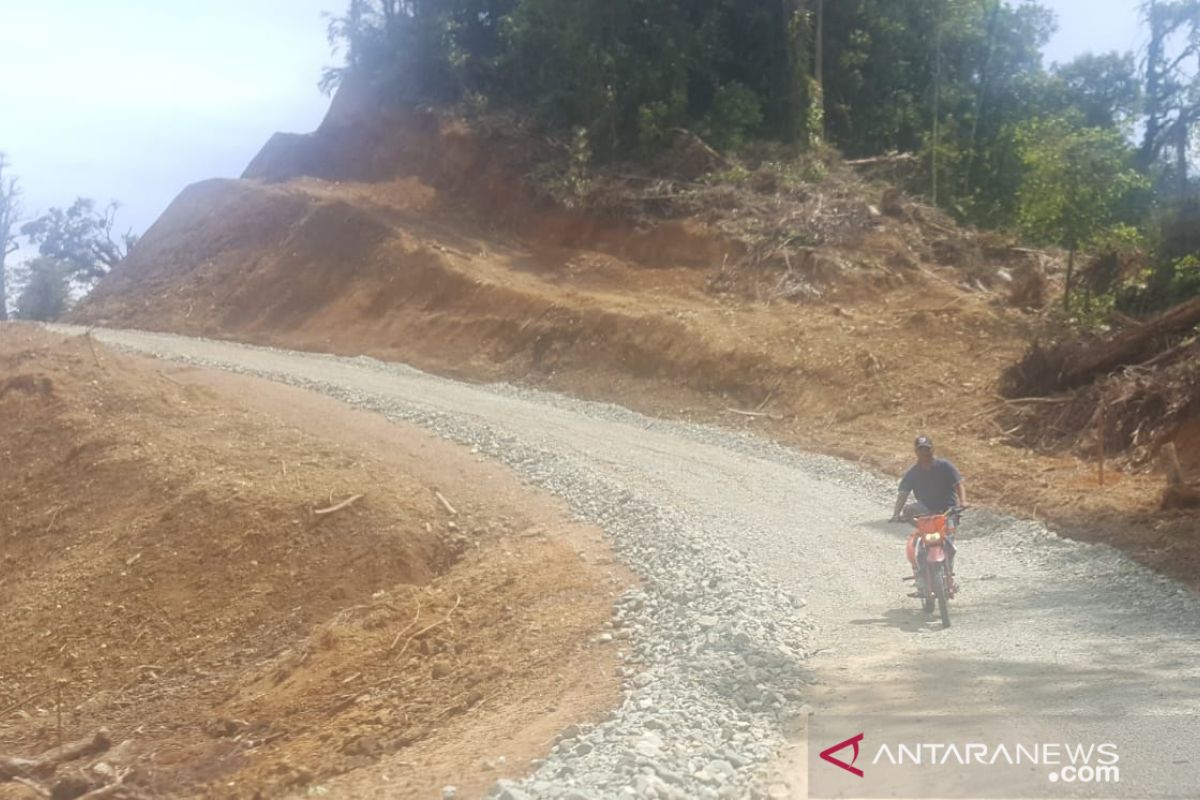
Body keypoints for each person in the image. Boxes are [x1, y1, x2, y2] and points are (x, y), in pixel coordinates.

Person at [891, 435, 966, 577]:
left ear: (932, 449)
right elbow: (903, 493)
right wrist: (896, 514)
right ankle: (921, 571)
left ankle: (948, 572)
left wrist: (963, 502)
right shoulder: (913, 472)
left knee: (949, 543)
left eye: (926, 449)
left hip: (948, 510)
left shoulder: (945, 466)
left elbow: (959, 484)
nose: (924, 453)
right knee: (920, 538)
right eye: (920, 450)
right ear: (916, 452)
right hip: (926, 511)